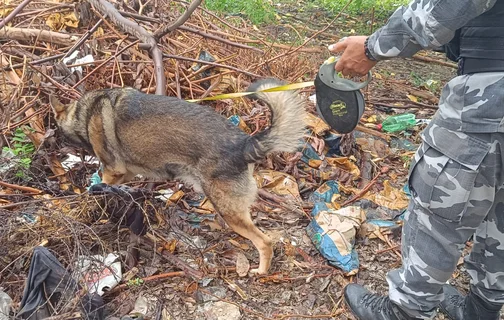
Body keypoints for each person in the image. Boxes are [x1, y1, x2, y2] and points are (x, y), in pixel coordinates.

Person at [327, 1, 504, 319]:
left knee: (438, 211)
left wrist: (371, 47)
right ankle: (481, 309)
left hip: (489, 98)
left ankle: (405, 311)